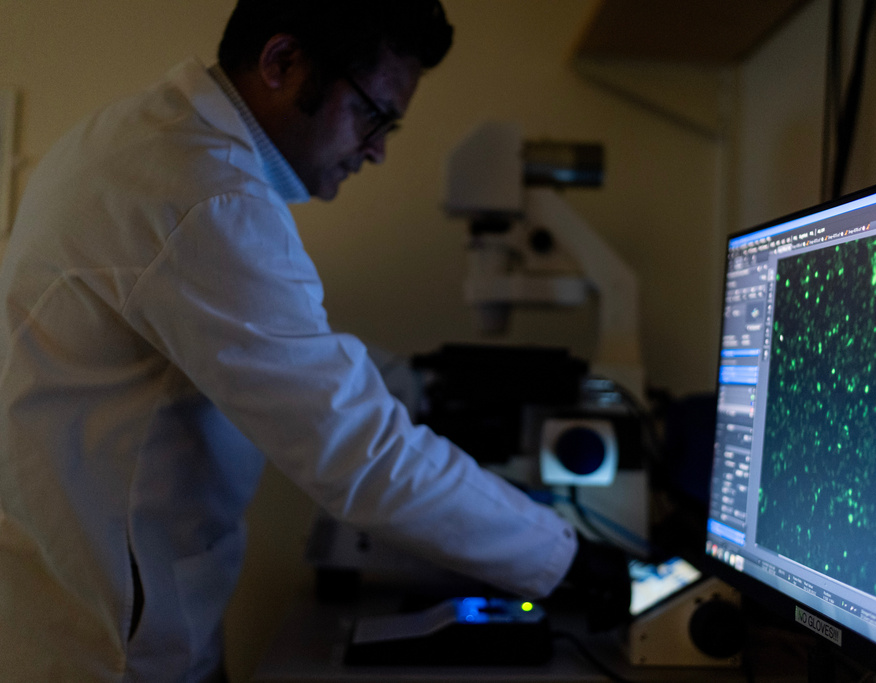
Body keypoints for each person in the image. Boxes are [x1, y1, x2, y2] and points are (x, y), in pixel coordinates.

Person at [0, 2, 630, 680]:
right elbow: (357, 452)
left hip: (78, 602)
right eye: (375, 115)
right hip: (104, 644)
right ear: (281, 63)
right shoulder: (207, 196)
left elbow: (278, 344)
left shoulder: (141, 141)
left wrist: (419, 380)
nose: (378, 149)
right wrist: (566, 558)